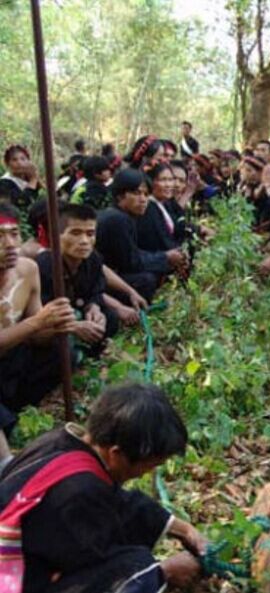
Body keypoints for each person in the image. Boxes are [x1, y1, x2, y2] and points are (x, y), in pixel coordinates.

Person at [0, 382, 206, 593]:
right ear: (116, 454)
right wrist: (164, 571)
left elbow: (116, 500)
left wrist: (180, 528)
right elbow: (98, 561)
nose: (146, 473)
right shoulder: (78, 493)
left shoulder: (58, 443)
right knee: (138, 567)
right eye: (150, 465)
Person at [0, 203, 77, 464]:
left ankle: (13, 411)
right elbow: (34, 324)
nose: (10, 244)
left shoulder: (27, 270)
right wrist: (37, 322)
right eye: (0, 236)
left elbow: (37, 336)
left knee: (62, 352)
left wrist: (57, 324)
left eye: (14, 234)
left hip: (12, 361)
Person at [96, 169, 186, 303]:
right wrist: (165, 257)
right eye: (137, 193)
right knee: (146, 279)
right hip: (100, 280)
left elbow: (133, 253)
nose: (143, 200)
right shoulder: (117, 219)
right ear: (120, 196)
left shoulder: (124, 216)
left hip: (109, 274)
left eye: (146, 194)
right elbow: (131, 263)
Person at [36, 204, 119, 350]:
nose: (84, 241)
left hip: (80, 312)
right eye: (75, 233)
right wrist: (74, 326)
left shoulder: (93, 259)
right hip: (53, 325)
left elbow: (96, 290)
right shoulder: (43, 265)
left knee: (110, 317)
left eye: (90, 234)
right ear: (56, 235)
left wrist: (93, 307)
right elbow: (39, 315)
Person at [0, 145, 41, 212]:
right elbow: (21, 203)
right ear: (7, 164)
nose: (19, 163)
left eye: (23, 159)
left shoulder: (29, 178)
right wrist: (33, 180)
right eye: (14, 160)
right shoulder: (4, 183)